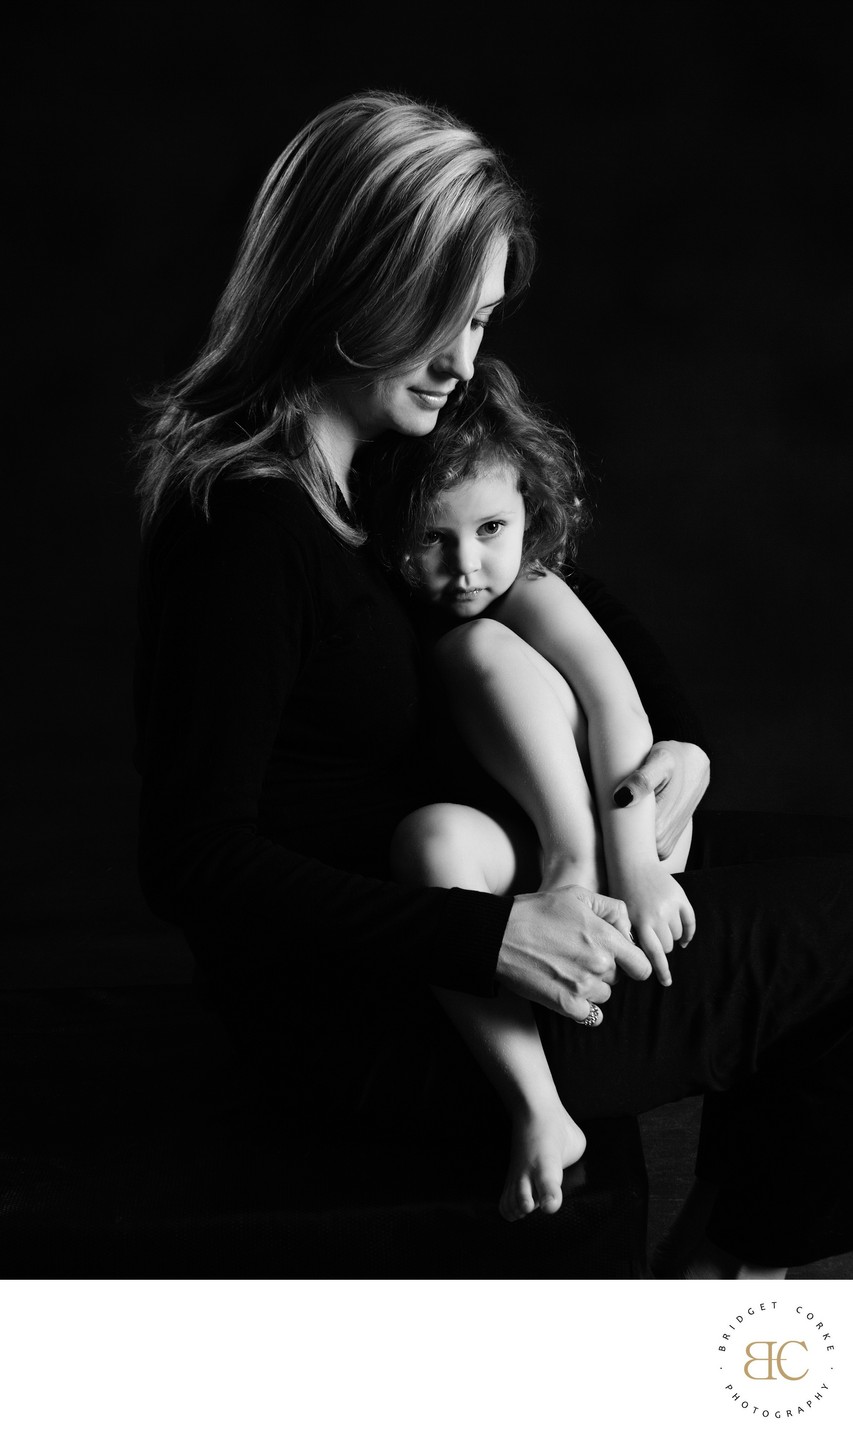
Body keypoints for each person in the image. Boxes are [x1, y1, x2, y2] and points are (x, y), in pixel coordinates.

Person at [133, 90, 853, 1279]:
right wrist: (486, 938)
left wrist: (673, 749)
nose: (467, 360)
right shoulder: (245, 525)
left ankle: (724, 1266)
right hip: (397, 1008)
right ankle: (728, 1292)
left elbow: (571, 600)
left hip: (499, 881)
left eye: (481, 321)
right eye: (446, 320)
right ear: (357, 280)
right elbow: (192, 861)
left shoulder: (385, 458)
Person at [366, 354, 696, 1222]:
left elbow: (615, 704)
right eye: (431, 539)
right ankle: (539, 1110)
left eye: (489, 529)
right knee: (426, 842)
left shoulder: (536, 592)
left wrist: (635, 868)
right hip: (513, 849)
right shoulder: (392, 615)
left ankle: (574, 867)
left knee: (470, 649)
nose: (466, 565)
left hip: (614, 823)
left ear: (528, 517)